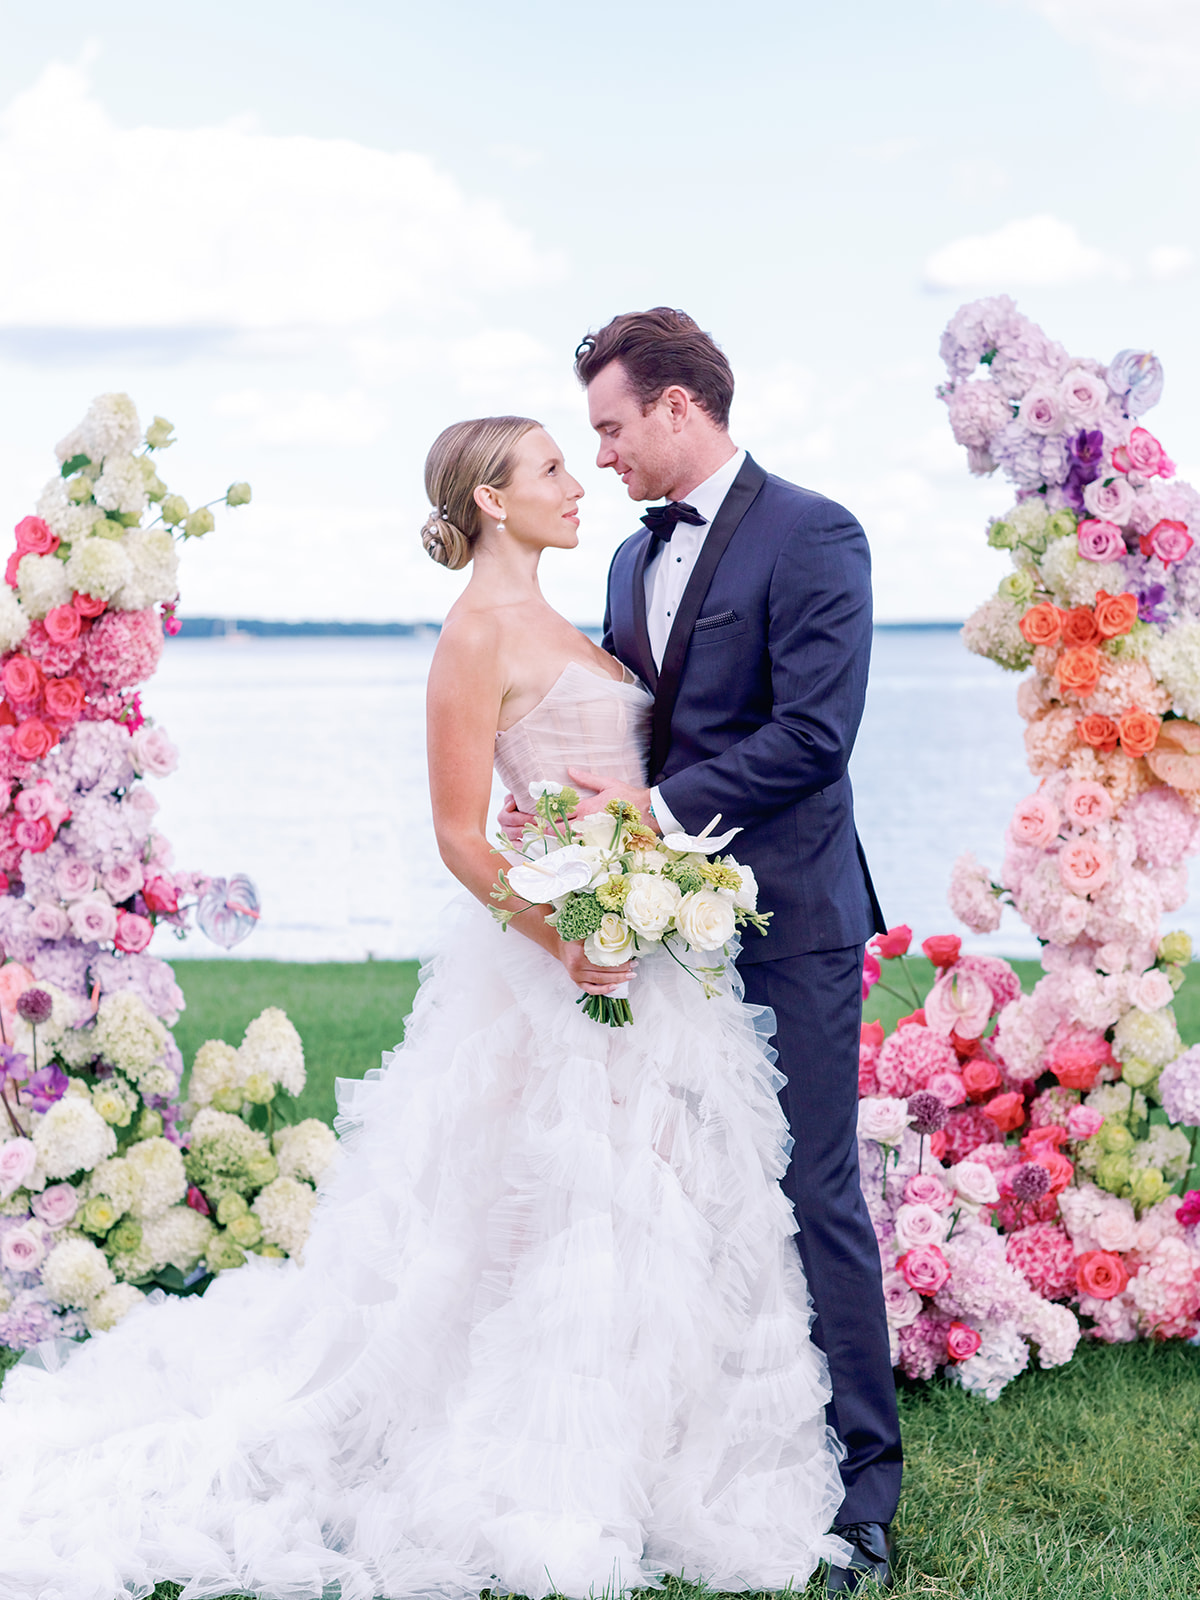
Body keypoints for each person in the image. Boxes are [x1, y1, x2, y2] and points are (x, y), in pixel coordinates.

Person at [0, 414, 852, 1600]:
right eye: (555, 465)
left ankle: (662, 1449)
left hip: (649, 958)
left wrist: (638, 896)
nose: (582, 479)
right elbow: (460, 833)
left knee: (662, 1208)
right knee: (535, 1216)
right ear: (494, 500)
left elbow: (617, 789)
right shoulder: (474, 637)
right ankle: (522, 1456)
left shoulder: (582, 611)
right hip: (559, 966)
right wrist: (568, 939)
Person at [501, 309, 902, 1594]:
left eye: (612, 427)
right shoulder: (626, 561)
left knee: (813, 1188)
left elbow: (814, 736)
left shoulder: (817, 532)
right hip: (662, 932)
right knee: (683, 1191)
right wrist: (562, 808)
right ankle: (713, 1448)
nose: (602, 455)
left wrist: (656, 815)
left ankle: (866, 1487)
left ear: (680, 406)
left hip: (791, 917)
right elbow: (628, 721)